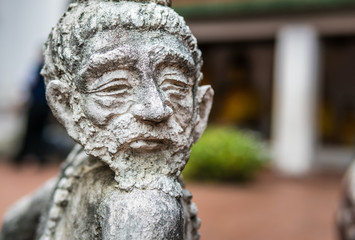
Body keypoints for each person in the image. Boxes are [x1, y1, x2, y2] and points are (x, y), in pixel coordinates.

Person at [0, 0, 213, 239]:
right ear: (66, 105)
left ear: (200, 109)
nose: (156, 110)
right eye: (116, 87)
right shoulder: (84, 171)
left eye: (175, 85)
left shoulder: (142, 206)